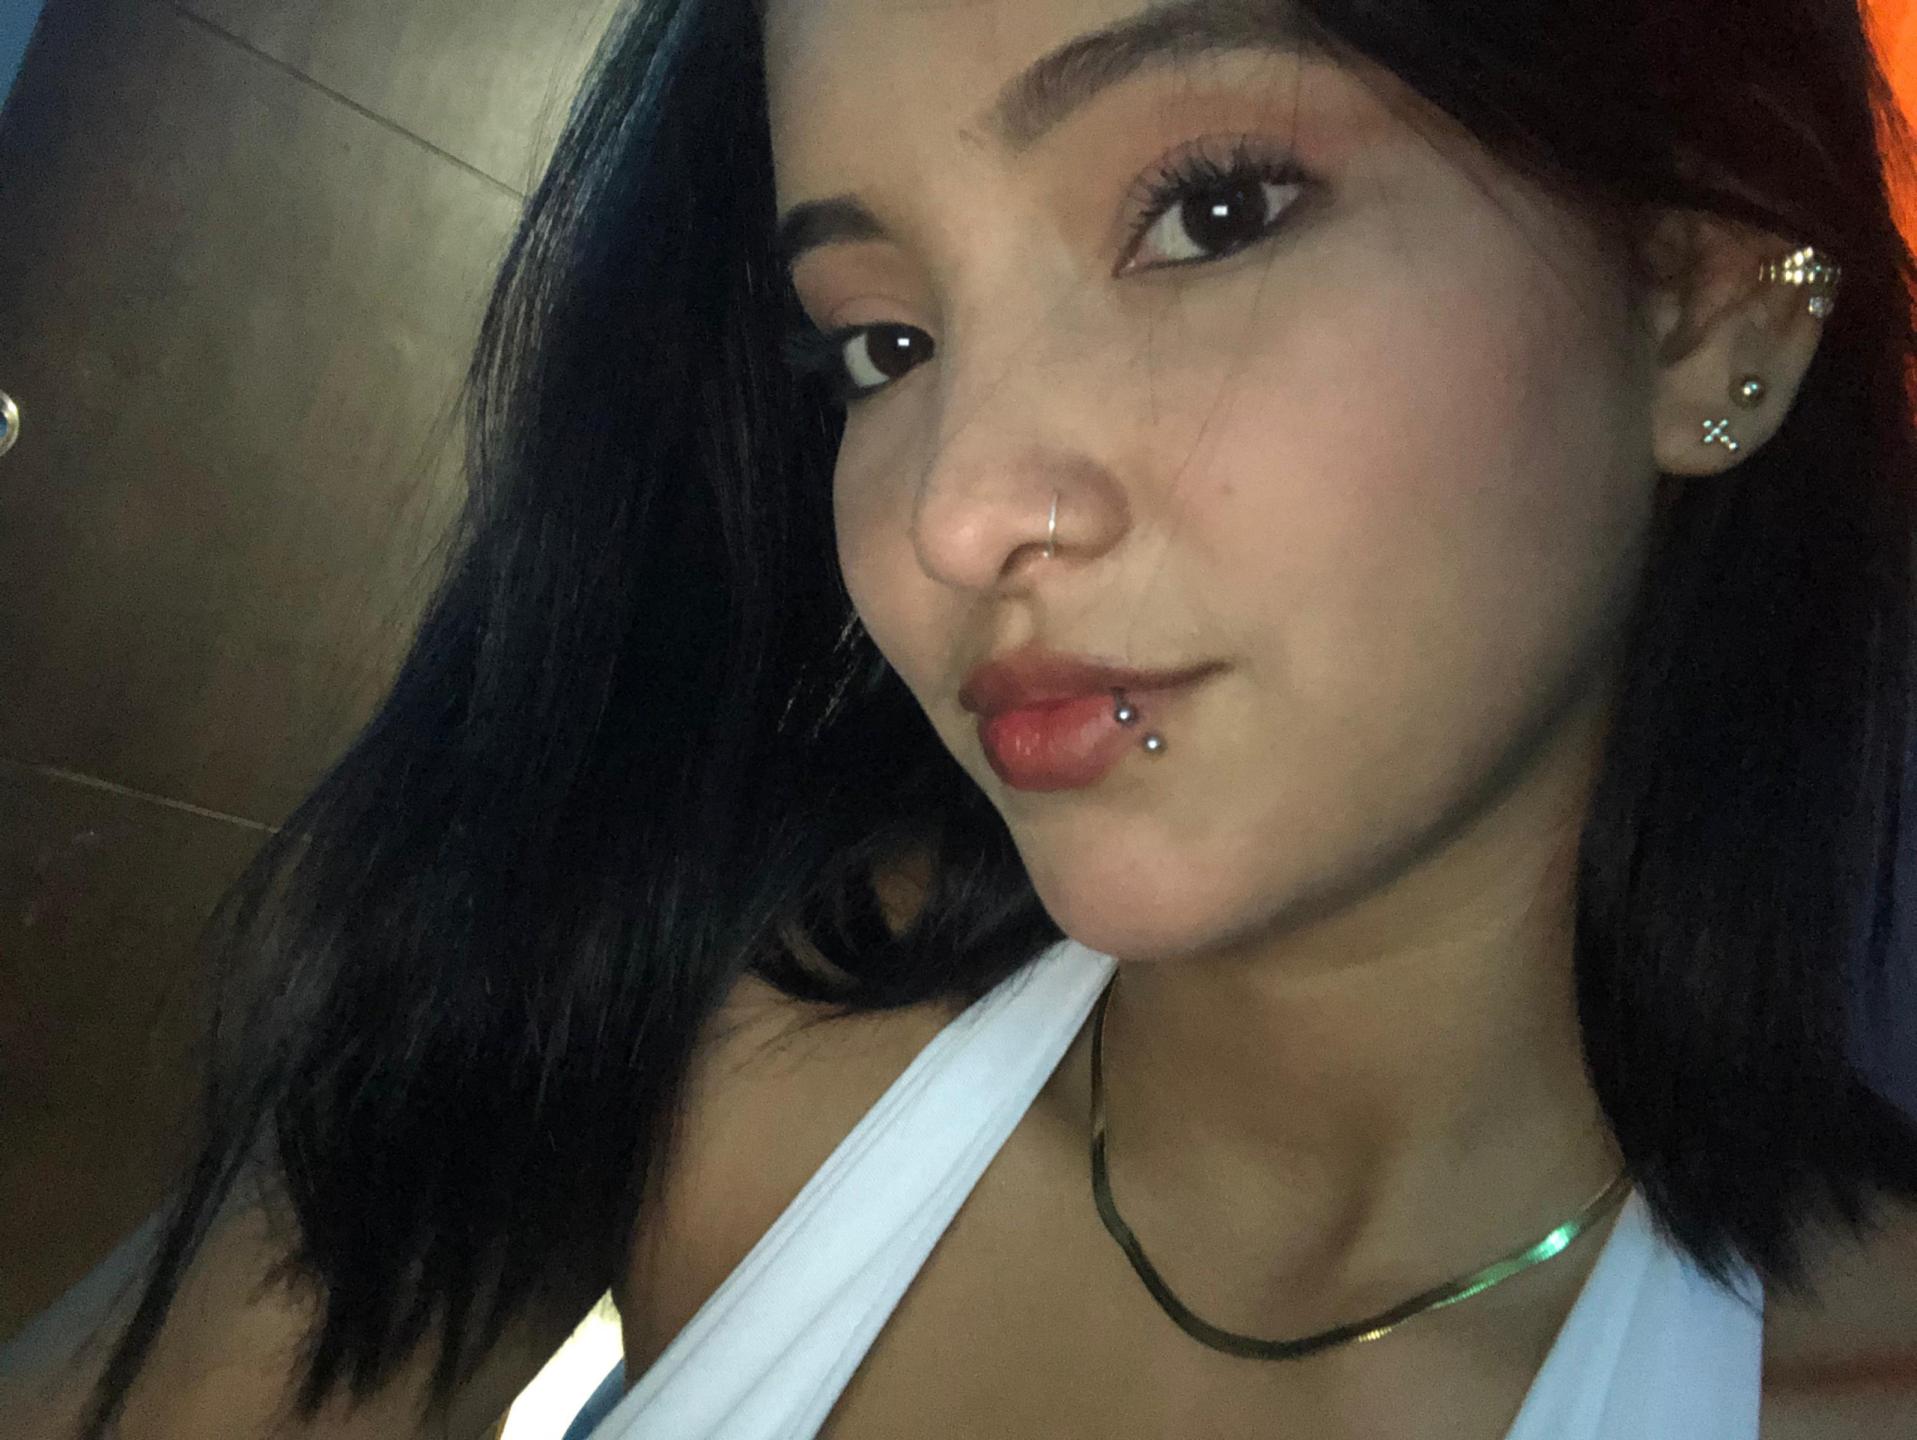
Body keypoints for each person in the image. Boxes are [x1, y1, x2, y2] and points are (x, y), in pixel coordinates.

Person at [5, 0, 1917, 1434]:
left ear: (1702, 309)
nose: (953, 510)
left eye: (1211, 212)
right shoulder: (704, 1035)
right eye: (882, 344)